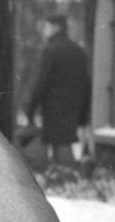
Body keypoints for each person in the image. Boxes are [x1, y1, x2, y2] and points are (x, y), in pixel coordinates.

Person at [23, 13, 92, 168]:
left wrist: (31, 109)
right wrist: (84, 113)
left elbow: (42, 82)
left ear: (56, 28)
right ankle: (66, 174)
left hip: (54, 107)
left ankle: (65, 175)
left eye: (46, 27)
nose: (44, 31)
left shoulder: (50, 50)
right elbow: (87, 83)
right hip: (74, 107)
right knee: (66, 142)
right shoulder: (79, 51)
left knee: (58, 145)